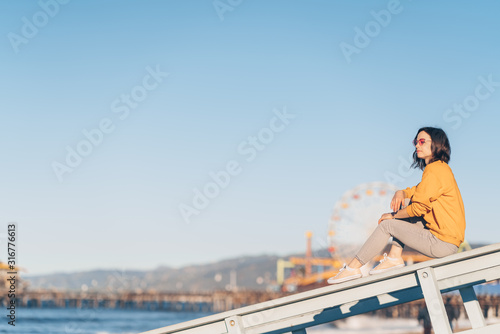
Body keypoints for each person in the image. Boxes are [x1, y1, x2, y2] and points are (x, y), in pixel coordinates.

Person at [328, 127, 466, 284]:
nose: (417, 146)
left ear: (437, 144)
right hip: (447, 241)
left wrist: (393, 216)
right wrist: (402, 192)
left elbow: (419, 208)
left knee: (387, 225)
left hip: (441, 243)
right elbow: (418, 191)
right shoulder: (440, 169)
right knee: (405, 202)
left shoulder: (435, 170)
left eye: (422, 141)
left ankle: (353, 268)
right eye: (415, 142)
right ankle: (394, 256)